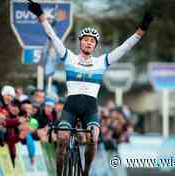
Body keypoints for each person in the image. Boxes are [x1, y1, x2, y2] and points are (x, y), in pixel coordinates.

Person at [28, 1, 153, 175]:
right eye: (85, 40)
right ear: (80, 43)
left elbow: (125, 46)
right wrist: (40, 15)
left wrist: (142, 29)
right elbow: (52, 35)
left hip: (90, 108)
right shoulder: (68, 57)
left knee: (93, 138)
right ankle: (58, 171)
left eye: (91, 41)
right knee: (63, 137)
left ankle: (86, 171)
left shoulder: (101, 61)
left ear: (95, 46)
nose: (88, 43)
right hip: (71, 106)